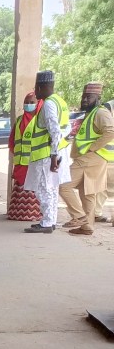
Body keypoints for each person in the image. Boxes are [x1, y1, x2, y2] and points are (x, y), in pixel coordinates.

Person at [58, 83, 114, 235]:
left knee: (63, 184)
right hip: (91, 158)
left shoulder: (101, 113)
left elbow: (110, 132)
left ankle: (78, 216)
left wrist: (92, 148)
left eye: (89, 97)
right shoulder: (92, 113)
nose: (84, 100)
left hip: (90, 158)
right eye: (83, 97)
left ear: (98, 98)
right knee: (87, 192)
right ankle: (87, 226)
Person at [23, 70, 71, 234]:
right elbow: (67, 128)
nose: (35, 92)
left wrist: (53, 156)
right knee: (52, 189)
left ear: (40, 87)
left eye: (36, 88)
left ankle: (46, 223)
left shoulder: (49, 103)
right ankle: (50, 221)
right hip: (54, 153)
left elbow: (55, 131)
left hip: (46, 155)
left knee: (44, 189)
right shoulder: (60, 101)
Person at [7, 93, 43, 222]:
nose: (28, 105)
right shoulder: (19, 120)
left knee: (33, 188)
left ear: (38, 103)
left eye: (31, 102)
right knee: (20, 187)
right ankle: (17, 214)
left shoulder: (40, 120)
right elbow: (12, 140)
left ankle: (33, 214)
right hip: (20, 161)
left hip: (34, 161)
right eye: (26, 102)